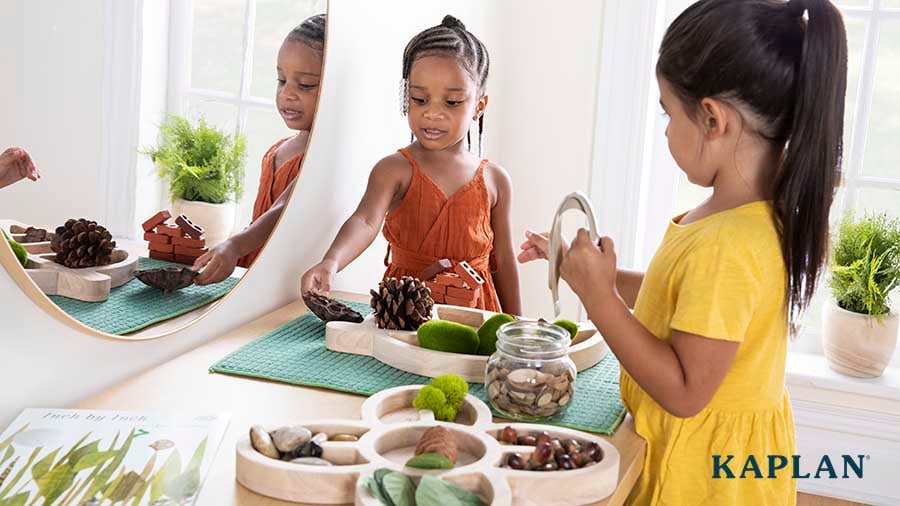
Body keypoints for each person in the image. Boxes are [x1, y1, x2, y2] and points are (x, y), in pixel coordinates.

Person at [519, 0, 847, 503]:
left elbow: (685, 391)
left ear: (713, 118)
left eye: (668, 113)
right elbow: (675, 301)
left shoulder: (729, 244)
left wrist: (601, 300)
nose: (667, 129)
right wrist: (575, 269)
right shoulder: (743, 215)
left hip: (702, 477)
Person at [301, 15, 521, 314]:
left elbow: (504, 261)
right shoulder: (394, 169)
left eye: (452, 102)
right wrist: (332, 261)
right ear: (407, 96)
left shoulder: (496, 179)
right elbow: (365, 221)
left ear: (479, 106)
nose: (433, 113)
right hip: (407, 313)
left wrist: (517, 329)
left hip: (476, 314)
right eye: (420, 99)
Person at [194, 14, 326, 285]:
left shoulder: (322, 156)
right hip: (251, 271)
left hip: (283, 283)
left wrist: (235, 245)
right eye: (281, 80)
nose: (287, 94)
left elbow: (284, 208)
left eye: (305, 85)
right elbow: (262, 217)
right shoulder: (279, 150)